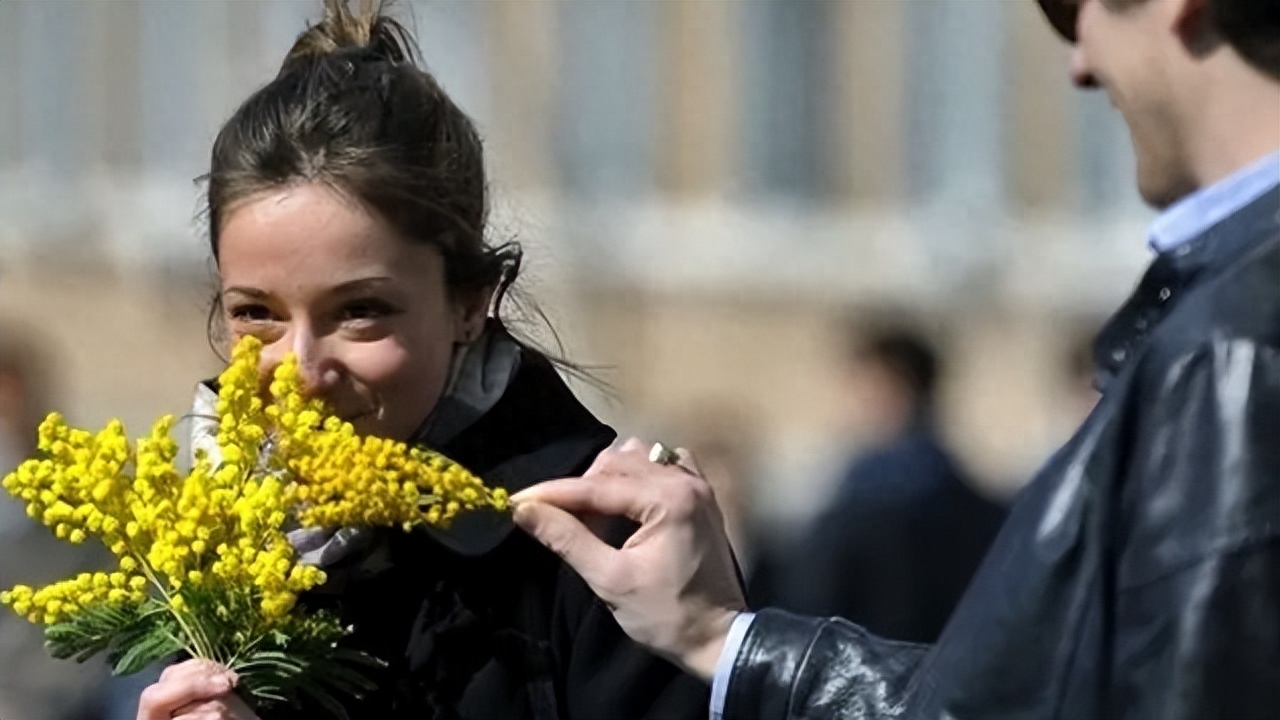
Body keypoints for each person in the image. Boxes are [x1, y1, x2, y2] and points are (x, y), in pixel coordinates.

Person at [512, 0, 1280, 717]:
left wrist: (724, 638)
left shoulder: (1232, 351)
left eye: (1071, 8)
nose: (1078, 62)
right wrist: (723, 637)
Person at [133, 2, 711, 719]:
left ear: (472, 301)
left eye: (361, 311)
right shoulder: (216, 548)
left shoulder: (604, 548)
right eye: (257, 314)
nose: (301, 371)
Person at [774, 326, 1005, 643]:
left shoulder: (866, 501)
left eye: (862, 388)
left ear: (892, 390)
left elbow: (813, 607)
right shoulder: (978, 503)